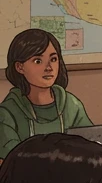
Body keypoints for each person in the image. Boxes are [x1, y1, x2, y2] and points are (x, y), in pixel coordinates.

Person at [0, 29, 93, 159]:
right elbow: (13, 161)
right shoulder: (7, 112)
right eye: (38, 61)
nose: (49, 67)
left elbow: (91, 146)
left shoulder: (71, 104)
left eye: (53, 59)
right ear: (19, 67)